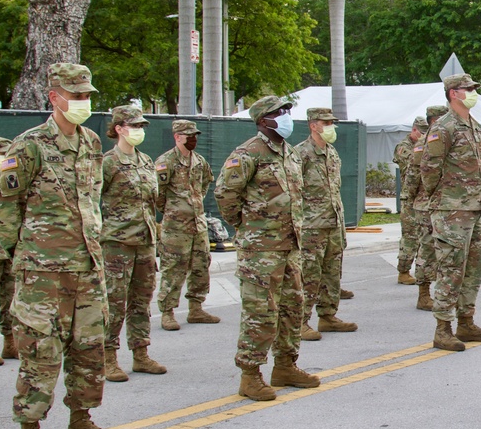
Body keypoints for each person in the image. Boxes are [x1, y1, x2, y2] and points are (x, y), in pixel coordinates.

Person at [0, 63, 123, 429]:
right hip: (42, 274)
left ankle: (81, 423)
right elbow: (4, 210)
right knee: (40, 354)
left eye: (87, 95)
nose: (83, 102)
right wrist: (24, 260)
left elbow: (91, 204)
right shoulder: (28, 146)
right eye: (76, 95)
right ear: (54, 97)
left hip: (86, 268)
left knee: (87, 351)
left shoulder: (91, 143)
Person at [215, 95, 319, 401]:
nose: (286, 116)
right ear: (263, 121)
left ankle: (285, 366)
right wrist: (247, 226)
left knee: (291, 308)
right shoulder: (248, 153)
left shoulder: (290, 154)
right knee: (260, 313)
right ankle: (250, 375)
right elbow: (225, 194)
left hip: (290, 247)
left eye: (287, 110)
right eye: (279, 112)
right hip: (260, 251)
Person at [419, 74, 481, 352]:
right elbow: (428, 168)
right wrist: (441, 201)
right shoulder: (444, 127)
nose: (473, 92)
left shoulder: (475, 126)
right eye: (468, 89)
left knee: (474, 267)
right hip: (451, 211)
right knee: (451, 269)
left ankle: (466, 321)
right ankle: (443, 329)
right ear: (453, 94)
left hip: (474, 209)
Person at [100, 106, 166, 382]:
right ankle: (108, 357)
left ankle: (140, 354)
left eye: (141, 126)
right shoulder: (107, 163)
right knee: (114, 301)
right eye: (134, 125)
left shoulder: (145, 161)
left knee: (141, 300)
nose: (139, 130)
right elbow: (92, 200)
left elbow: (152, 202)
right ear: (118, 128)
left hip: (145, 240)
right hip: (117, 242)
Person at [295, 107, 356, 340]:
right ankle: (301, 322)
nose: (331, 127)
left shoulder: (331, 152)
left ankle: (328, 316)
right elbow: (292, 190)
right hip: (312, 225)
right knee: (309, 274)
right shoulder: (300, 153)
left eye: (332, 123)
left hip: (333, 223)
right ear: (313, 125)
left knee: (332, 273)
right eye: (326, 123)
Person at [154, 119, 218, 330]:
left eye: (195, 135)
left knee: (201, 267)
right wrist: (174, 210)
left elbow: (207, 181)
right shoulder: (166, 162)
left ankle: (196, 308)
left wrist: (195, 202)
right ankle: (167, 312)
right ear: (177, 137)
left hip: (198, 226)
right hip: (175, 228)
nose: (193, 139)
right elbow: (157, 193)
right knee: (174, 269)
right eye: (188, 135)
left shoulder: (199, 162)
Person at [403, 105, 448, 311]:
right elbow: (413, 176)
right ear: (433, 121)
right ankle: (423, 294)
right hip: (426, 205)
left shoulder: (448, 141)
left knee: (444, 251)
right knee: (427, 249)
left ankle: (442, 292)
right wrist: (411, 201)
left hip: (446, 205)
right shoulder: (423, 144)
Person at [0, 137, 15, 366]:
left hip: (9, 249)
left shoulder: (8, 183)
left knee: (11, 296)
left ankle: (10, 340)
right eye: (2, 155)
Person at [393, 117, 426, 285]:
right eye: (421, 131)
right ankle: (403, 271)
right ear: (414, 130)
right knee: (410, 236)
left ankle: (423, 271)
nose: (423, 135)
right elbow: (412, 166)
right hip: (409, 197)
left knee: (425, 237)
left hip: (423, 197)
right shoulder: (403, 148)